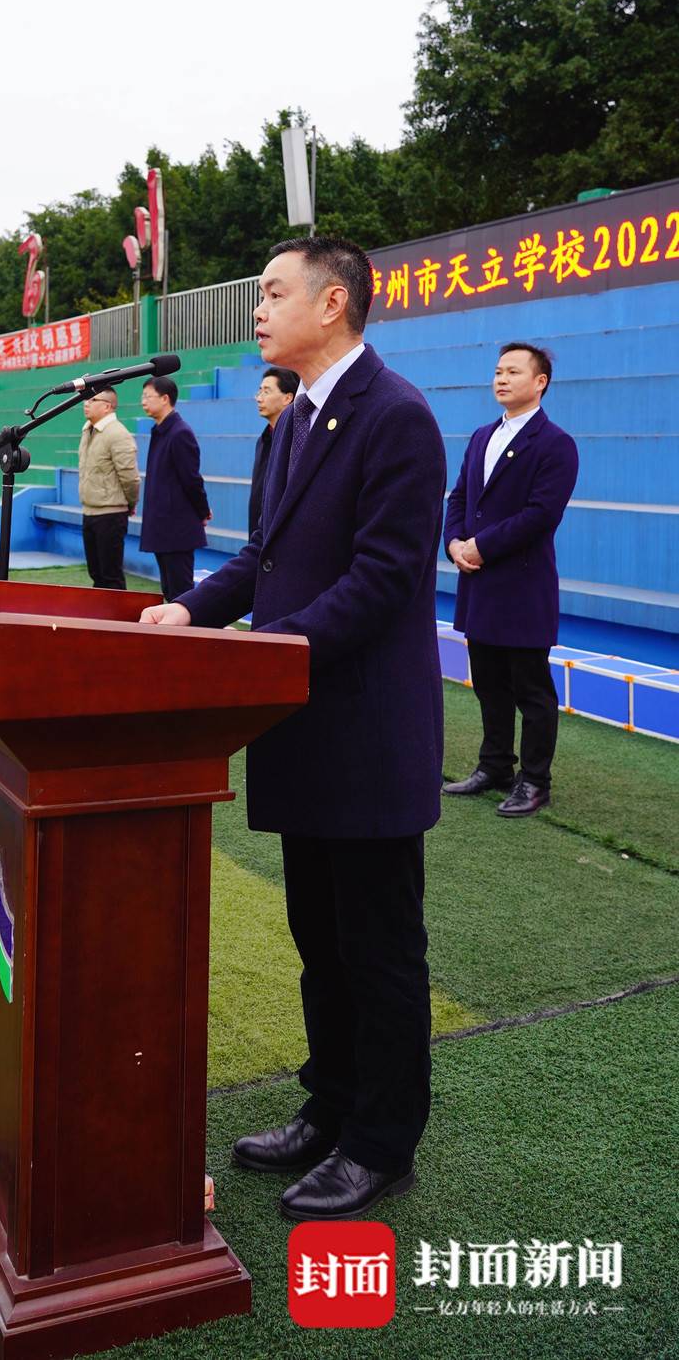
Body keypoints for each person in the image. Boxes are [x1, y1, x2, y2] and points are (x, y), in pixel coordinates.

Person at [140, 236, 446, 1222]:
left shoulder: (396, 418)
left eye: (274, 292)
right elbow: (261, 560)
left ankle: (382, 1141)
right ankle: (332, 1103)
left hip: (365, 732)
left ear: (336, 302)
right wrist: (190, 608)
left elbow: (383, 579)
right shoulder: (288, 427)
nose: (257, 309)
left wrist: (263, 650)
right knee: (320, 935)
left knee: (378, 945)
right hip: (301, 724)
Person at [442, 343, 579, 817]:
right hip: (479, 582)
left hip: (520, 585)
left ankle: (535, 780)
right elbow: (459, 497)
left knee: (532, 690)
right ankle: (495, 765)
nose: (501, 379)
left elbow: (541, 515)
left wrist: (481, 545)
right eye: (498, 371)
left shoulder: (555, 443)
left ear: (539, 382)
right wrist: (455, 542)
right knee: (489, 682)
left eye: (513, 372)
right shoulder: (482, 436)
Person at [138, 376, 212, 601]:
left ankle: (187, 636)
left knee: (181, 592)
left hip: (176, 527)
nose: (143, 402)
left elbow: (191, 479)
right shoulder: (160, 430)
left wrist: (203, 511)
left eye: (147, 396)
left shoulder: (180, 433)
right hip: (162, 525)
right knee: (169, 590)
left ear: (165, 399)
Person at [77, 388, 140, 590]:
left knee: (111, 575)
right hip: (89, 512)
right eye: (86, 399)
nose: (86, 403)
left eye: (92, 399)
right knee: (96, 573)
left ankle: (118, 620)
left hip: (110, 514)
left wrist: (130, 503)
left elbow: (130, 477)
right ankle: (99, 619)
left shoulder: (117, 434)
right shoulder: (88, 429)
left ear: (107, 406)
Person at [248, 368, 299, 539]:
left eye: (267, 391)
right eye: (259, 391)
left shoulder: (298, 442)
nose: (259, 398)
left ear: (288, 398)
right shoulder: (263, 440)